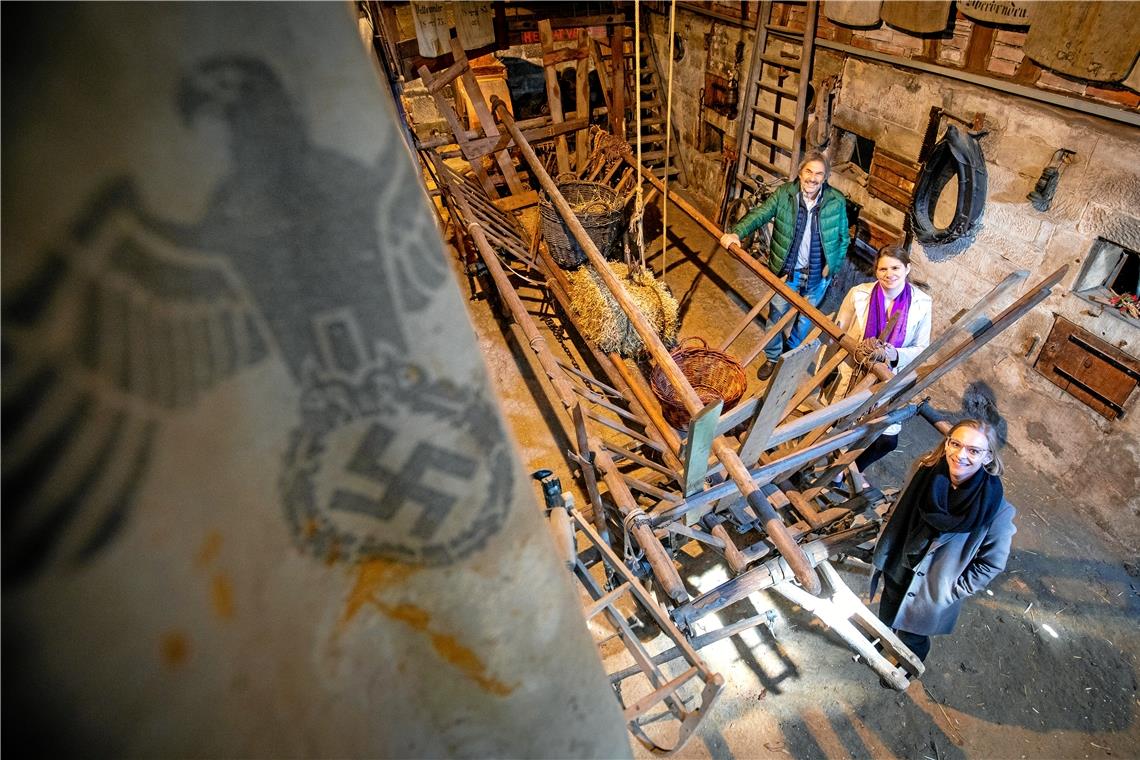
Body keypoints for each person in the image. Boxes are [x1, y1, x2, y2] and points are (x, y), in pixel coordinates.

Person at [870, 419, 1016, 663]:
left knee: (912, 634)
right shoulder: (924, 470)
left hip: (931, 588)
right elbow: (901, 504)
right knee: (887, 609)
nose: (961, 455)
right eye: (956, 444)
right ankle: (877, 642)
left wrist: (951, 591)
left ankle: (908, 664)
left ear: (988, 457)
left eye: (974, 450)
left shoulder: (997, 511)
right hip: (898, 563)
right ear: (946, 443)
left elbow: (991, 563)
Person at [719, 152, 850, 380]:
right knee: (776, 317)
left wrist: (833, 266)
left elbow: (843, 237)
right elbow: (760, 214)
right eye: (809, 171)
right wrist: (736, 233)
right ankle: (772, 357)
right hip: (787, 271)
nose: (813, 178)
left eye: (819, 173)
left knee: (805, 320)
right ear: (800, 173)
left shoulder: (836, 201)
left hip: (817, 276)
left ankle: (788, 353)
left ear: (825, 178)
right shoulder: (784, 194)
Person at [834, 244, 932, 488]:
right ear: (876, 271)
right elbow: (839, 330)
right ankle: (834, 467)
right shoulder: (859, 293)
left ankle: (853, 468)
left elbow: (922, 348)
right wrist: (856, 349)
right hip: (854, 369)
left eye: (896, 268)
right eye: (883, 269)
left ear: (907, 268)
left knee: (887, 440)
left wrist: (894, 353)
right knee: (842, 424)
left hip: (889, 377)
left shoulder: (922, 302)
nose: (890, 274)